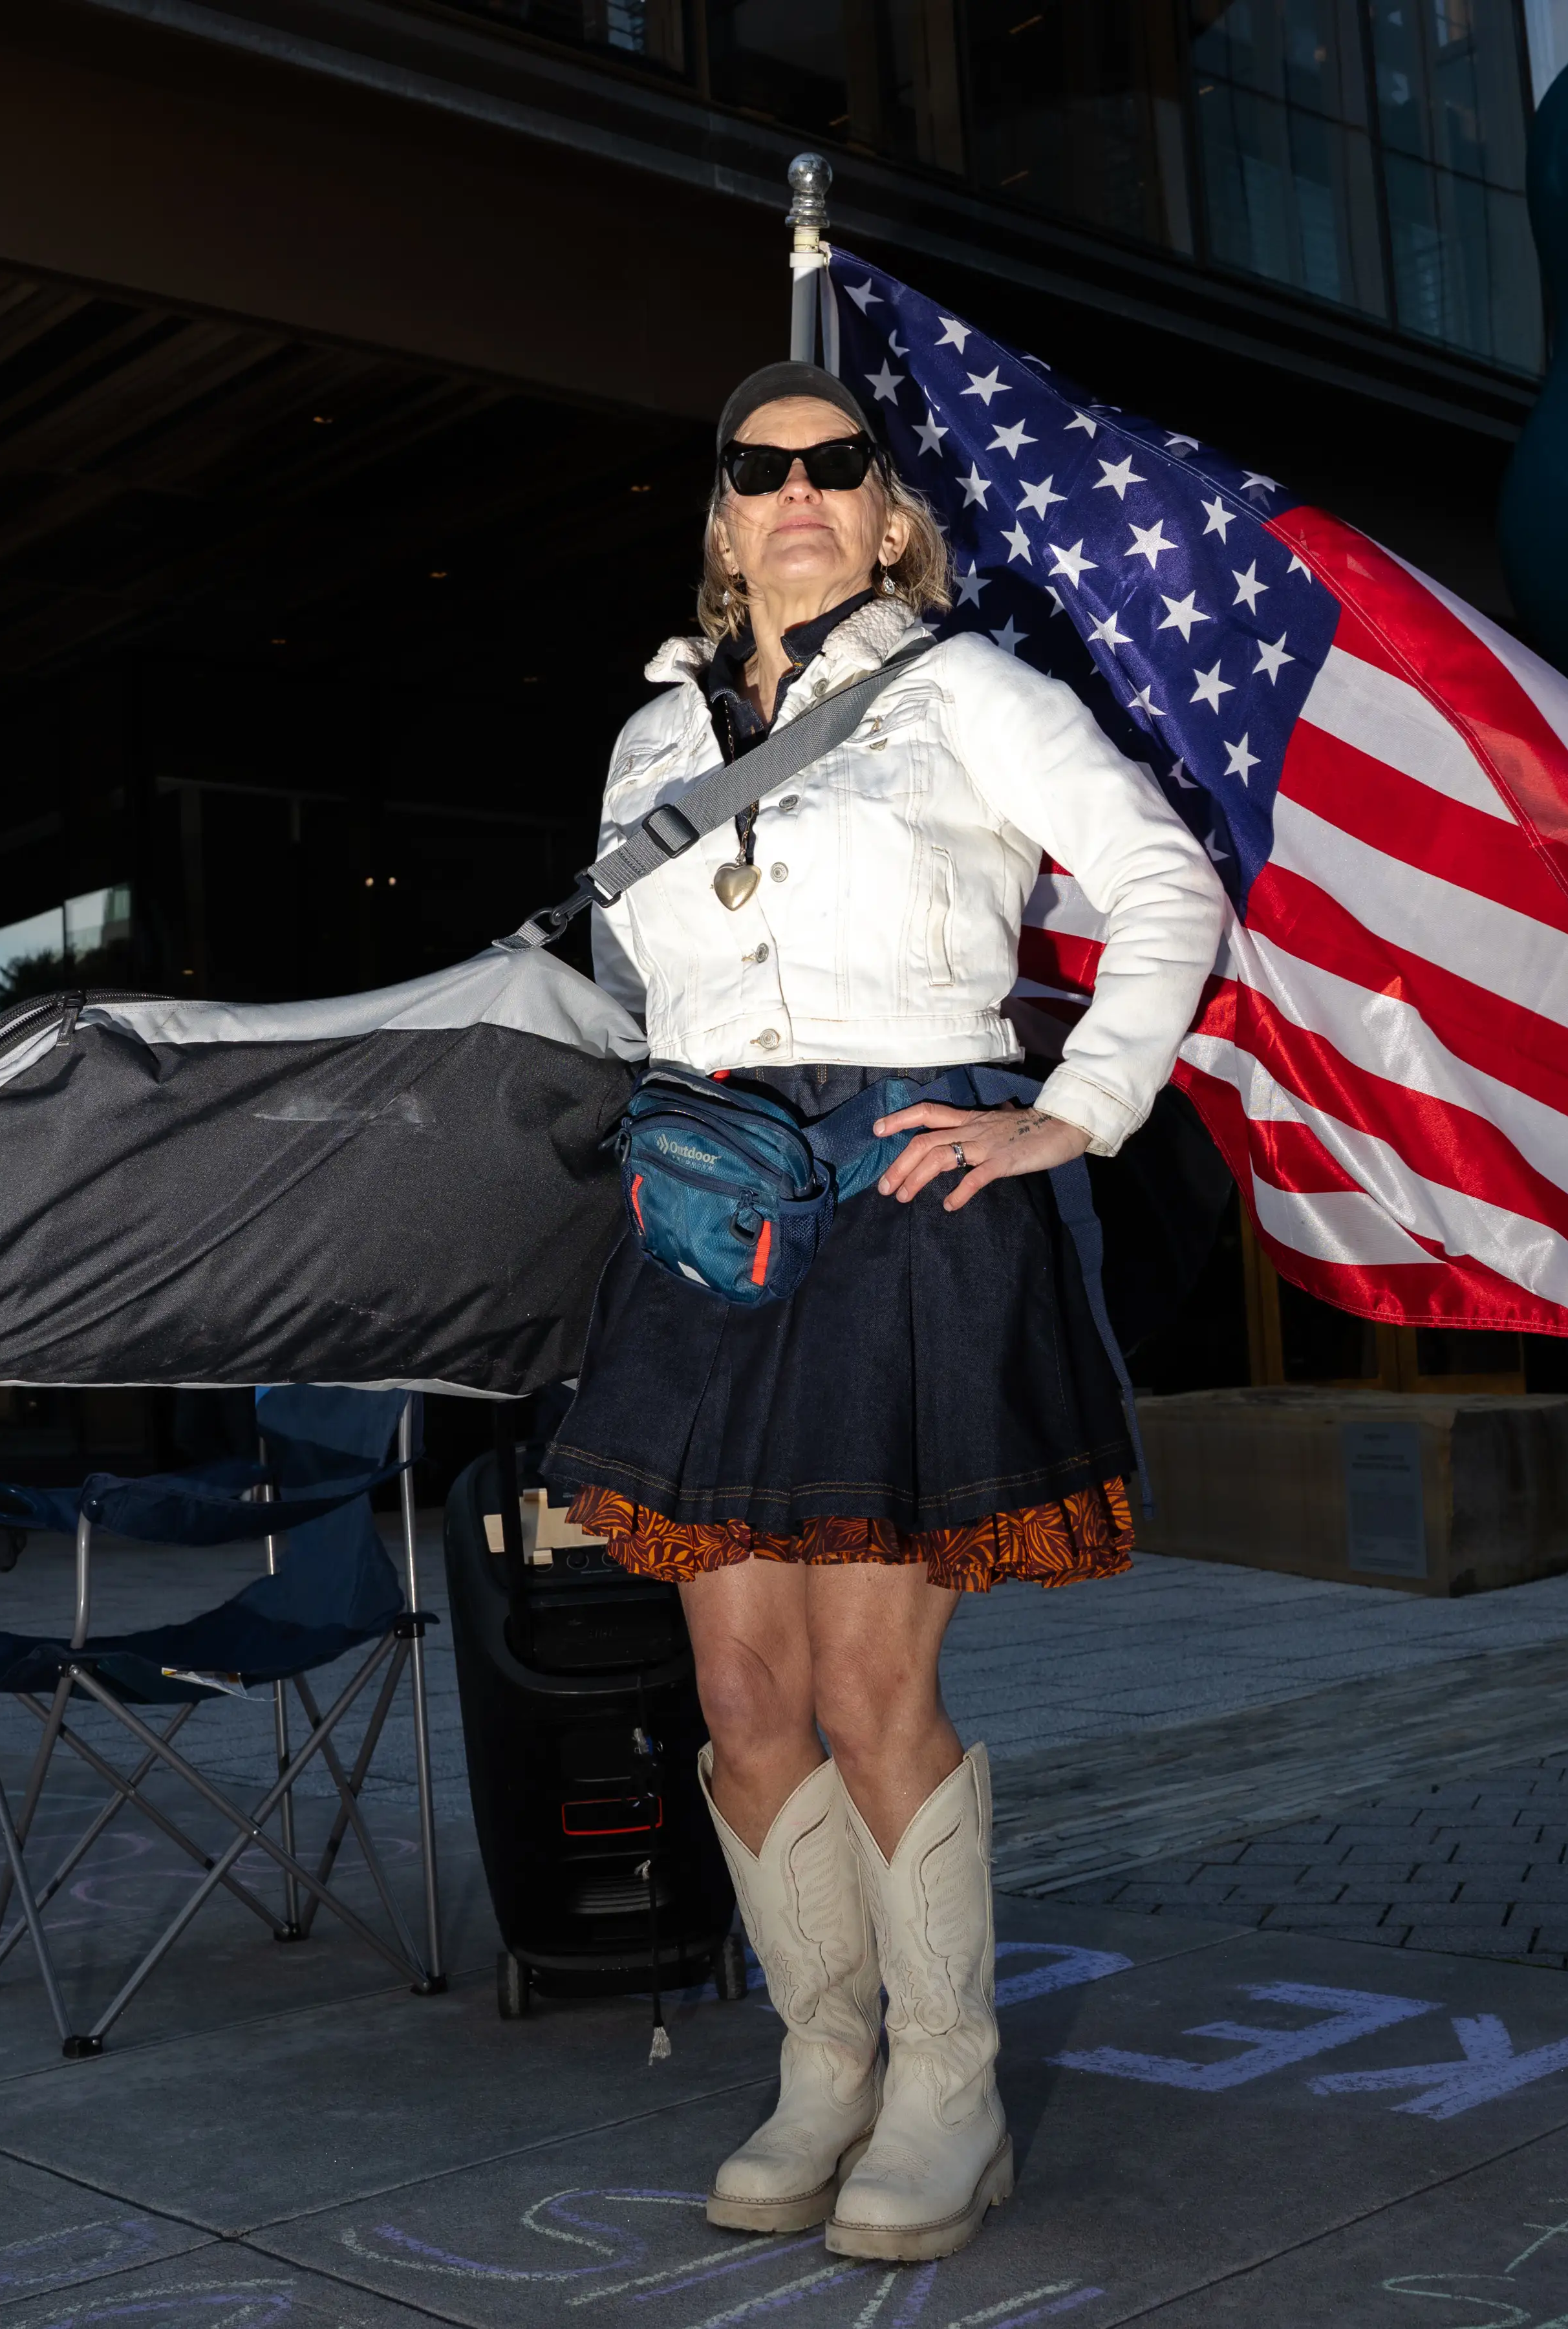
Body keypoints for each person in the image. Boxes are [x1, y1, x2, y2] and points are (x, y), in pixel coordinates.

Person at [542, 363, 1220, 2262]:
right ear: (724, 517)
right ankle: (822, 2065)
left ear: (887, 508)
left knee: (864, 1689)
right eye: (761, 469)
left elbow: (1167, 883)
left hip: (906, 1195)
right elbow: (627, 975)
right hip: (706, 1218)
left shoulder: (969, 696)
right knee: (739, 1695)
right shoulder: (653, 736)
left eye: (837, 464)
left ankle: (948, 2085)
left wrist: (1070, 1111)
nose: (800, 493)